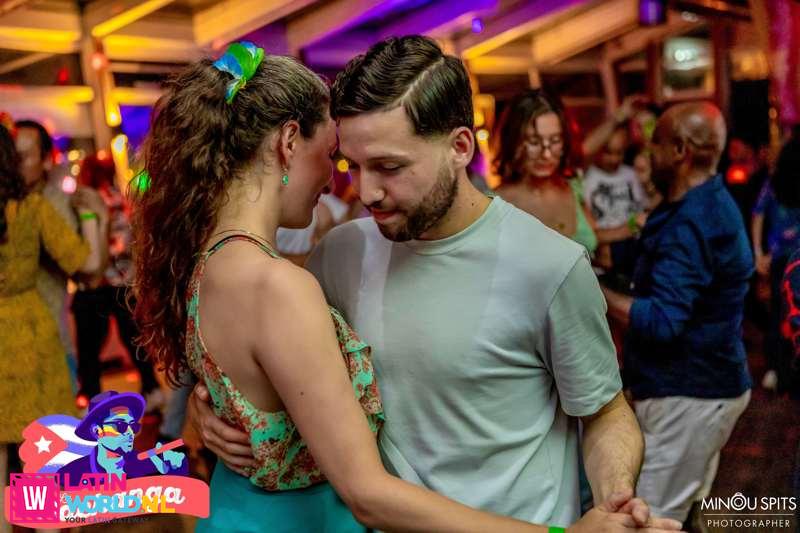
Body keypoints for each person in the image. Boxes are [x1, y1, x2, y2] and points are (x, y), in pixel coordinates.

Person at [129, 41, 646, 533]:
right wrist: (212, 412)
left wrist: (615, 498)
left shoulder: (550, 266)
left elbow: (605, 411)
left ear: (460, 147)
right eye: (351, 165)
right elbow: (269, 371)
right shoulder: (339, 254)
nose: (365, 191)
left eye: (389, 167)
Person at [602, 102, 753, 529]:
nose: (648, 154)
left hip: (691, 394)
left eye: (657, 144)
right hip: (701, 386)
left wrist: (592, 291)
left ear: (681, 151)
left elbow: (662, 321)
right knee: (684, 515)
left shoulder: (695, 219)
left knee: (647, 521)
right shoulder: (700, 203)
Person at [0, 124, 107, 533]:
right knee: (41, 462)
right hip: (31, 340)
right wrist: (92, 216)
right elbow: (87, 263)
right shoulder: (31, 208)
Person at [71, 153, 163, 409]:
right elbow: (130, 239)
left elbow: (94, 245)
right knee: (133, 338)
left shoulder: (87, 200)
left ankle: (92, 399)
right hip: (123, 281)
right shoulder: (120, 197)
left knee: (90, 349)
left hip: (97, 284)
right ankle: (152, 388)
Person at [15, 120, 82, 391]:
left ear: (46, 161)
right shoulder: (13, 205)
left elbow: (84, 267)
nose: (13, 165)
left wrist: (96, 219)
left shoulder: (52, 205)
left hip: (49, 347)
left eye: (22, 157)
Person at [493, 89, 598, 255]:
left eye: (555, 140)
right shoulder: (495, 205)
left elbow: (596, 242)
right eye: (534, 142)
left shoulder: (574, 187)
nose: (546, 154)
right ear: (513, 142)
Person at [752, 136, 800, 392]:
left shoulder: (773, 183)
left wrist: (758, 252)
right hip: (793, 258)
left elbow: (757, 214)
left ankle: (777, 370)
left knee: (779, 314)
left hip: (779, 258)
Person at [57, 390, 186, 485]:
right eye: (120, 425)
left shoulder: (136, 462)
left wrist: (173, 465)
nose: (130, 433)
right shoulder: (74, 473)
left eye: (133, 426)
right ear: (97, 431)